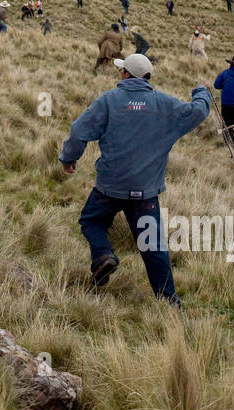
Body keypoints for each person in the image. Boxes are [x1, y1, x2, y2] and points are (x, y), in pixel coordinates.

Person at [60, 53, 210, 306]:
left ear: (126, 74)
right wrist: (202, 92)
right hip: (145, 191)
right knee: (153, 246)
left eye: (121, 70)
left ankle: (103, 256)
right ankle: (169, 302)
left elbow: (78, 130)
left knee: (91, 221)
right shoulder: (164, 105)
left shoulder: (109, 101)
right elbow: (197, 112)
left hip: (110, 186)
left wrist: (69, 158)